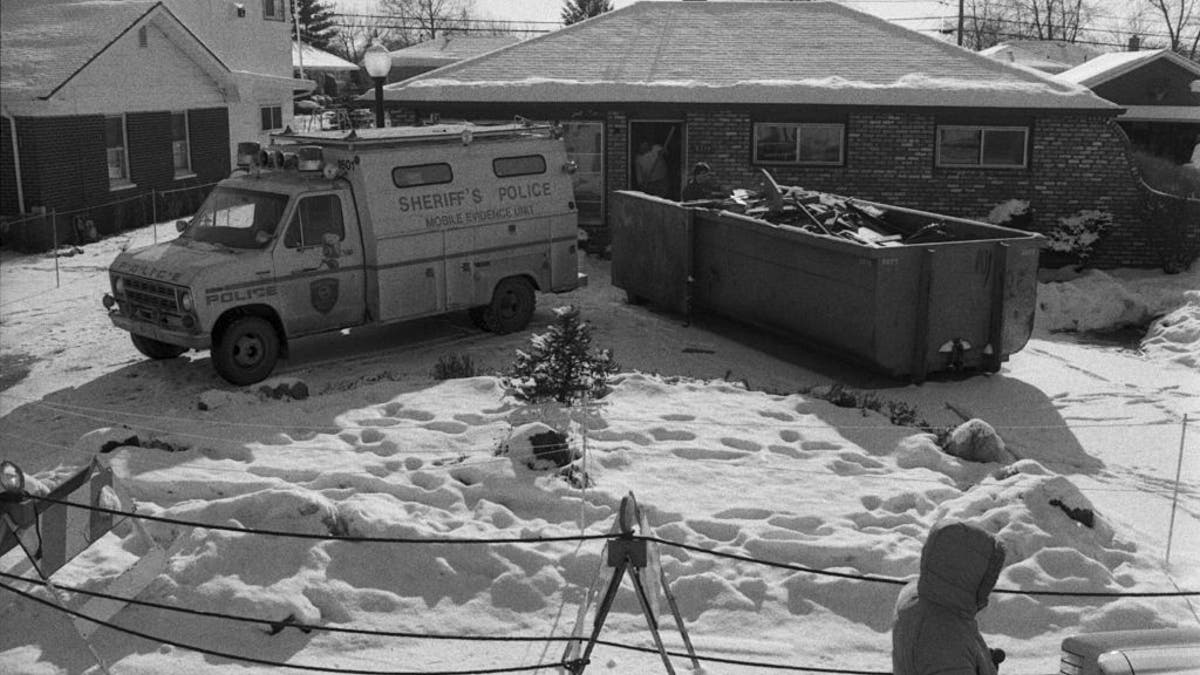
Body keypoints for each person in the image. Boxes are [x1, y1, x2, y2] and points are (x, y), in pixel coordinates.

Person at [892, 520, 1007, 675]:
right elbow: (944, 651)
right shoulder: (946, 637)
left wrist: (980, 660)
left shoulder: (917, 597)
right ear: (971, 575)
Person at [635, 128, 675, 198]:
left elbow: (667, 153)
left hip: (662, 179)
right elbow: (639, 175)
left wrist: (663, 152)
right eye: (642, 145)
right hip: (651, 183)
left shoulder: (656, 148)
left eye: (645, 144)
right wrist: (641, 184)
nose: (644, 147)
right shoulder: (638, 159)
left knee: (664, 198)